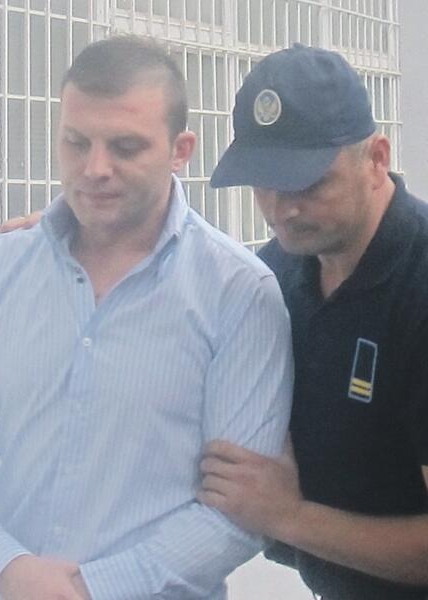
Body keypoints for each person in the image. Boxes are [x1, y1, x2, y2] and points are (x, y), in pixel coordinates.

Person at [0, 35, 294, 600]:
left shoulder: (238, 294)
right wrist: (7, 567)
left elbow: (239, 512)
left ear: (181, 150)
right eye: (76, 143)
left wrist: (91, 589)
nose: (95, 168)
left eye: (125, 147)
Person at [198, 44, 428, 600]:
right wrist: (85, 243)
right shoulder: (279, 273)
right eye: (264, 182)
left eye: (308, 184)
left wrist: (288, 517)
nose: (283, 209)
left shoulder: (418, 286)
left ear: (376, 159)